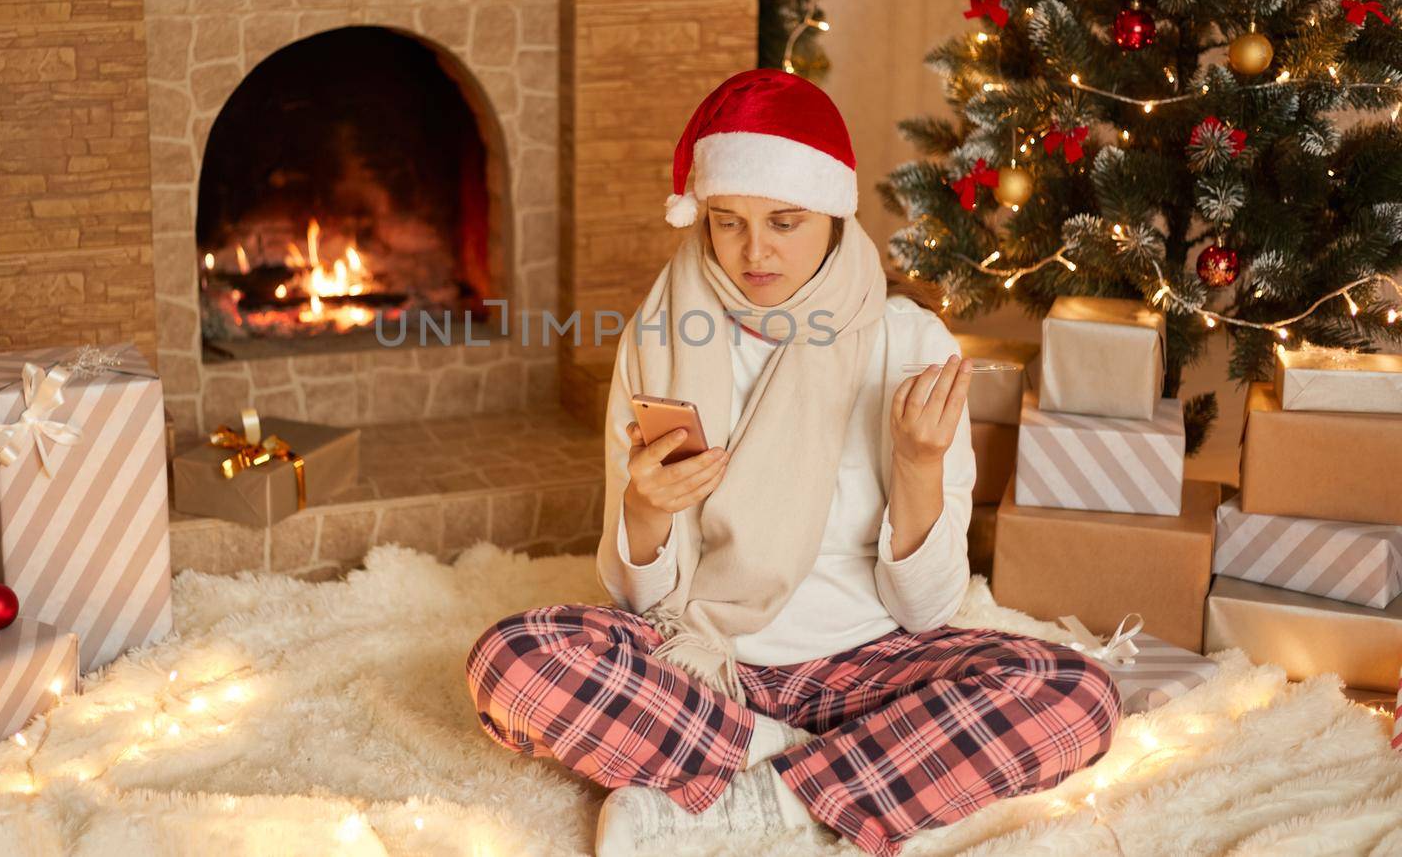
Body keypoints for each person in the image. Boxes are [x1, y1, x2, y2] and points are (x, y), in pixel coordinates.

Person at [464, 69, 1120, 856]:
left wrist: (917, 465)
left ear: (835, 213)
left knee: (1075, 694)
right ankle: (807, 769)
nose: (755, 250)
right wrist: (644, 511)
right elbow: (642, 601)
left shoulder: (907, 341)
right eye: (727, 221)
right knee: (512, 661)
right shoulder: (660, 335)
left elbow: (929, 612)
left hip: (872, 669)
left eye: (784, 220)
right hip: (705, 663)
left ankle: (752, 798)